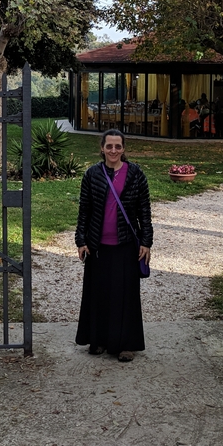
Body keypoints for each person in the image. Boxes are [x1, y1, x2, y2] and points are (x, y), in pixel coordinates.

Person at [75, 129, 153, 361]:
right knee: (98, 294)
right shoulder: (92, 174)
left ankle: (126, 344)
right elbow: (84, 210)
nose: (113, 151)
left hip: (126, 244)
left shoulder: (135, 174)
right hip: (98, 245)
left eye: (118, 146)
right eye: (109, 146)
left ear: (124, 149)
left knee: (125, 295)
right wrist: (81, 240)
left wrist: (146, 241)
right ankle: (98, 340)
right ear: (102, 148)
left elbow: (144, 211)